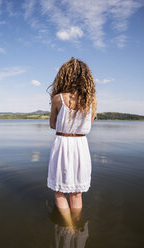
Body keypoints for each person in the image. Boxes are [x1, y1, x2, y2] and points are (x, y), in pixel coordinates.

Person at [46, 57, 97, 227]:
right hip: (81, 146)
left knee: (59, 191)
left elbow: (52, 124)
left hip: (62, 144)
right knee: (77, 193)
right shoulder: (92, 101)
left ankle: (68, 228)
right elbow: (87, 126)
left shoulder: (58, 99)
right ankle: (76, 224)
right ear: (86, 78)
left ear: (64, 76)